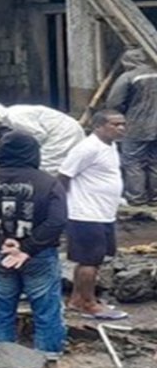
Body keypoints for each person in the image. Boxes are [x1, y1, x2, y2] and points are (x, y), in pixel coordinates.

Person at [0, 132, 82, 368]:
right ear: (34, 153)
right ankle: (49, 365)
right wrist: (27, 248)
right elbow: (57, 221)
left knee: (0, 306)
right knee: (46, 307)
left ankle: (1, 362)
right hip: (39, 256)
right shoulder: (48, 183)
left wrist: (0, 241)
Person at [59, 109, 128, 320]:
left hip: (104, 213)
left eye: (123, 124)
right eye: (115, 125)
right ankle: (89, 304)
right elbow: (64, 177)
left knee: (94, 260)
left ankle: (77, 299)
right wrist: (60, 208)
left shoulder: (111, 146)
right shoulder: (87, 148)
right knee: (89, 260)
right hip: (85, 214)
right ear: (98, 126)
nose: (121, 128)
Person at [0, 99, 85, 175]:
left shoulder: (15, 119)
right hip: (59, 131)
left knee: (46, 166)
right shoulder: (9, 117)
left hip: (62, 134)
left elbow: (38, 135)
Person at [105, 49, 157, 205]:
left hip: (137, 126)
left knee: (133, 162)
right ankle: (155, 198)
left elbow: (114, 103)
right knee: (155, 161)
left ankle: (137, 199)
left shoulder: (128, 77)